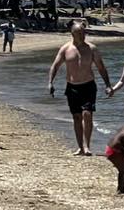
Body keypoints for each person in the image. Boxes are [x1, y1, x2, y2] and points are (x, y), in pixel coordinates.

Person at [46, 20, 111, 156]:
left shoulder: (92, 49)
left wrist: (108, 85)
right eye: (79, 33)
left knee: (87, 114)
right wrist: (50, 82)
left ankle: (87, 146)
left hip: (88, 85)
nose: (82, 35)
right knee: (76, 117)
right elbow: (55, 66)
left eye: (84, 32)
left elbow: (101, 67)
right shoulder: (66, 49)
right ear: (72, 34)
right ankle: (80, 147)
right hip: (72, 87)